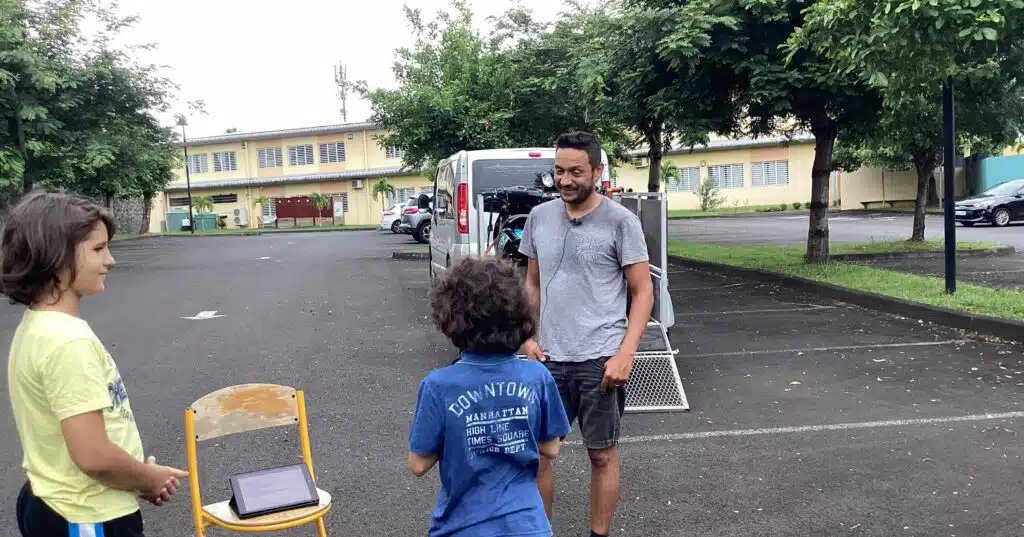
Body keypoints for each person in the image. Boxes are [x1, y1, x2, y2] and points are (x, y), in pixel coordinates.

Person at [3, 192, 188, 537]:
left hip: (52, 500)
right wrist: (148, 478)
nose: (111, 260)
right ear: (56, 257)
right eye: (99, 249)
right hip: (84, 515)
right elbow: (94, 456)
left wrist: (131, 474)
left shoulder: (38, 326)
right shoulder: (67, 342)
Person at [518, 132, 655, 537]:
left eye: (576, 172)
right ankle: (539, 532)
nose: (565, 180)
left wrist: (625, 354)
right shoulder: (538, 218)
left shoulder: (620, 222)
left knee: (602, 455)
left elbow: (643, 291)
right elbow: (532, 285)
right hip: (548, 359)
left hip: (600, 360)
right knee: (542, 455)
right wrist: (528, 337)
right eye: (559, 171)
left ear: (596, 171)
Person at [408, 256, 571, 537]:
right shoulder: (537, 376)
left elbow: (418, 464)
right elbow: (552, 447)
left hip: (462, 525)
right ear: (519, 313)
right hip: (527, 525)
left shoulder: (438, 385)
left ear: (450, 317)